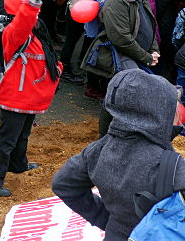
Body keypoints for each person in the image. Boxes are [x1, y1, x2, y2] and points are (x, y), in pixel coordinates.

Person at [52, 69, 185, 240]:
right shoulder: (172, 165)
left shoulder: (99, 149)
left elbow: (63, 183)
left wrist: (107, 219)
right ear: (157, 112)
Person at [0, 0, 61, 197]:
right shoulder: (15, 33)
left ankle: (18, 164)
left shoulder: (35, 32)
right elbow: (23, 21)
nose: (35, 6)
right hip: (16, 97)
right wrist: (32, 2)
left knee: (22, 135)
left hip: (28, 97)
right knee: (6, 140)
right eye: (27, 1)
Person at [82, 0, 159, 137]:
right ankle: (106, 139)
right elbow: (121, 39)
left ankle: (123, 136)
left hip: (136, 56)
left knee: (127, 100)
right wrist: (146, 57)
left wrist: (153, 50)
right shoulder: (117, 2)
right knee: (117, 99)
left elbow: (150, 26)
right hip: (119, 59)